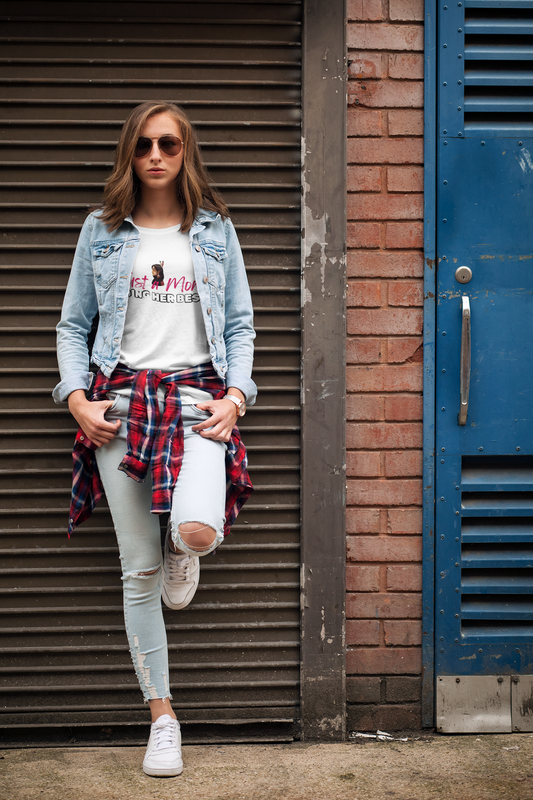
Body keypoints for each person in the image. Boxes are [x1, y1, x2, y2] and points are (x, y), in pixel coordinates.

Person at [53, 101, 256, 777]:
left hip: (198, 396)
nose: (156, 155)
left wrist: (236, 396)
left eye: (168, 143)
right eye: (143, 145)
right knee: (137, 572)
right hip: (122, 402)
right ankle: (162, 717)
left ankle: (183, 541)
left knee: (196, 531)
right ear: (129, 154)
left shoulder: (215, 230)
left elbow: (239, 327)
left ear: (185, 150)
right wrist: (76, 398)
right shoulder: (102, 231)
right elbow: (72, 326)